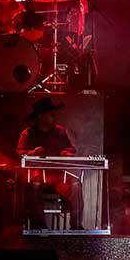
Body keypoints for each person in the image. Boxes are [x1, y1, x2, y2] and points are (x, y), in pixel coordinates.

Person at [16, 97, 84, 229]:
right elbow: (19, 151)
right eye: (51, 114)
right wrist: (33, 152)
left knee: (76, 185)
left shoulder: (60, 131)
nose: (54, 117)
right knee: (35, 185)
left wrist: (66, 152)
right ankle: (39, 226)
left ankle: (76, 226)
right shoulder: (28, 133)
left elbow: (71, 148)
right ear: (41, 116)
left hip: (58, 176)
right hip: (38, 175)